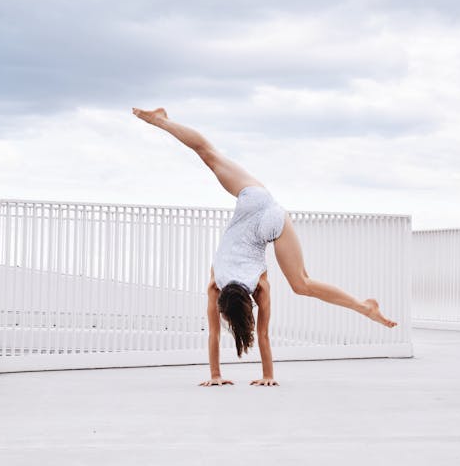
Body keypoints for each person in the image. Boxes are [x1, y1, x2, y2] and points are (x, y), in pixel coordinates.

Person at [132, 107, 397, 387]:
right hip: (255, 201)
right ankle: (161, 121)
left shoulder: (258, 287)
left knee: (302, 284)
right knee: (207, 154)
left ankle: (363, 306)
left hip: (269, 220)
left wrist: (225, 376)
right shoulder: (216, 283)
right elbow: (225, 334)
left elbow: (250, 335)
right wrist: (235, 376)